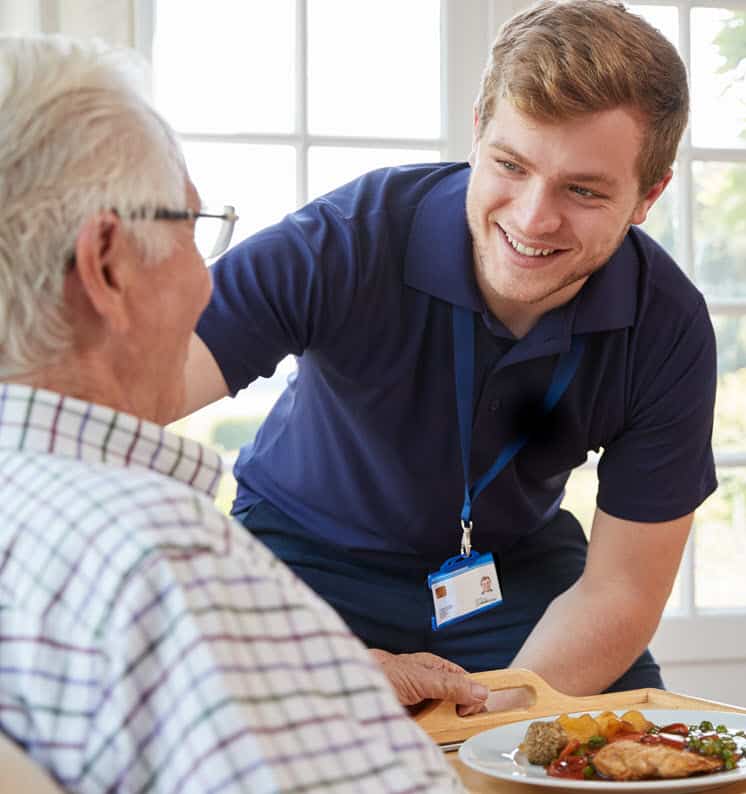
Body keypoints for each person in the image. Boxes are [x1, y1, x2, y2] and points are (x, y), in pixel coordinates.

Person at [184, 0, 716, 702]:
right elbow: (105, 394)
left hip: (511, 573)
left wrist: (492, 720)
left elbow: (620, 590)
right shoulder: (344, 241)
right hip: (302, 556)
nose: (533, 219)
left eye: (583, 190)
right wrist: (322, 675)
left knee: (615, 752)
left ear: (649, 196)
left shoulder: (668, 324)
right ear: (478, 132)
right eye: (510, 165)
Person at [0, 34, 467, 793]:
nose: (209, 284)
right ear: (108, 263)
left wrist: (320, 681)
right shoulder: (164, 559)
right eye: (191, 229)